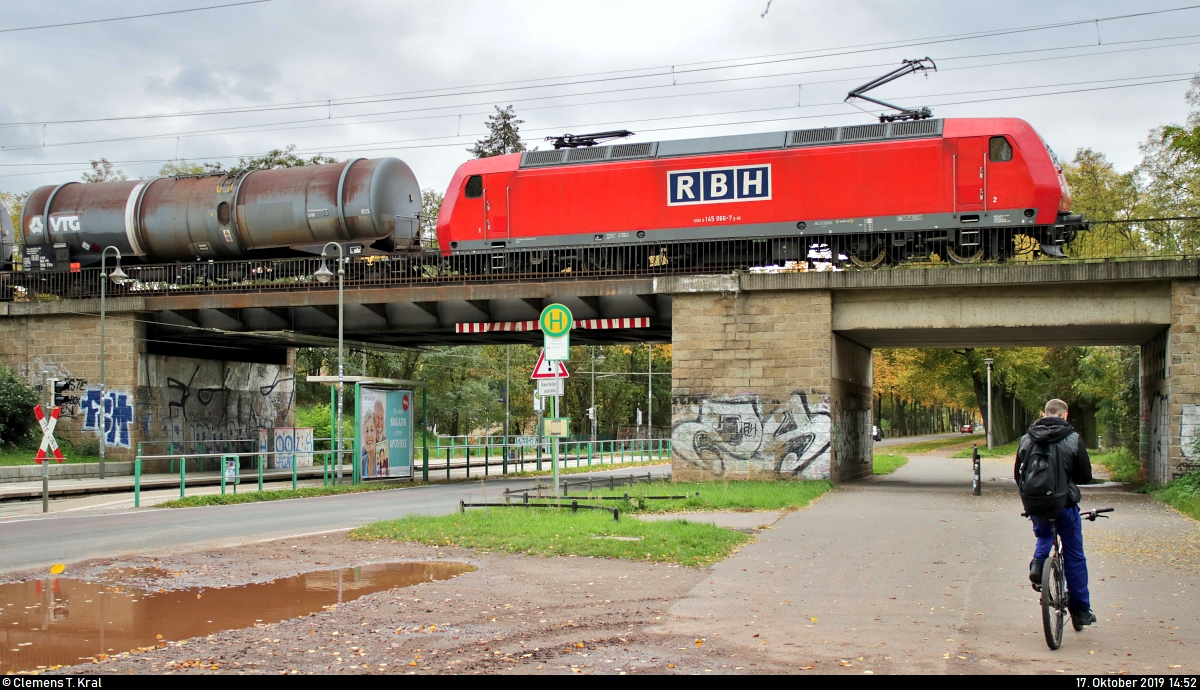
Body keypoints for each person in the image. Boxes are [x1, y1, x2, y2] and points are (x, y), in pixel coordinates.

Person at [1014, 398, 1096, 630]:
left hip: (1036, 505)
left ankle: (1038, 564)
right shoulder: (1073, 439)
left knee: (1043, 535)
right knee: (1074, 554)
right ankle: (1080, 611)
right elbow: (1084, 476)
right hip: (1065, 505)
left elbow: (1018, 474)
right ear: (1065, 415)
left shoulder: (1027, 439)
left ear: (1044, 413)